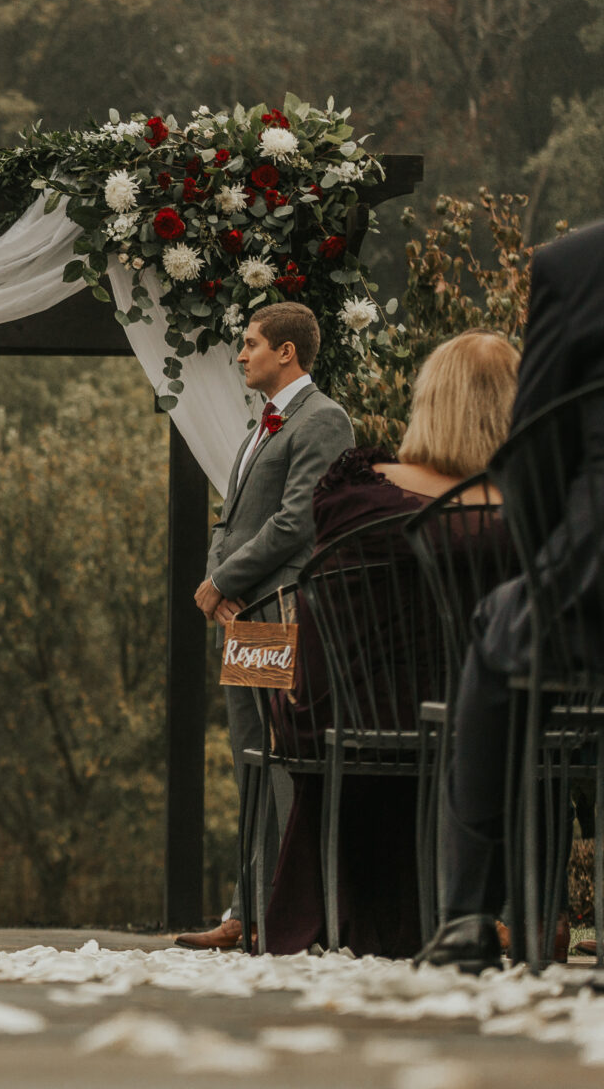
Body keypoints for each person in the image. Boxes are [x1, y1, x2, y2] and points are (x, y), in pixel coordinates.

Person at [263, 331, 518, 958]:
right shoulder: (526, 515)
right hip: (494, 731)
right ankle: (526, 912)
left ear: (428, 400)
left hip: (359, 718)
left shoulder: (359, 493)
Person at [420, 220, 604, 972]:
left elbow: (537, 449)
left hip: (595, 577)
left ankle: (470, 914)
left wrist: (545, 556)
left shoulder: (578, 263)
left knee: (499, 634)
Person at [177, 301, 355, 951]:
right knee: (250, 762)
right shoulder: (262, 426)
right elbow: (231, 521)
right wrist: (217, 581)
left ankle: (284, 916)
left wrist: (224, 582)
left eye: (252, 343)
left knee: (282, 760)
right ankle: (245, 910)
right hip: (249, 616)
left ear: (287, 352)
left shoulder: (325, 419)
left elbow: (299, 521)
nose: (242, 353)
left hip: (284, 611)